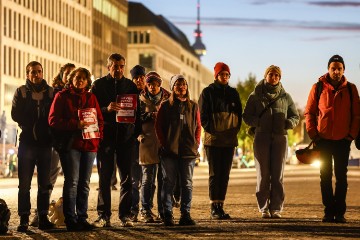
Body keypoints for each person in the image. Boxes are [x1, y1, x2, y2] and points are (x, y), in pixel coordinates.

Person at [304, 55, 360, 223]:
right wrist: (314, 134)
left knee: (342, 177)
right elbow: (309, 113)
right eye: (333, 68)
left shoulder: (351, 89)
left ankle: (340, 212)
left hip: (343, 140)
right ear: (328, 69)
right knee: (325, 175)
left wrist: (350, 135)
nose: (336, 71)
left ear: (344, 70)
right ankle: (329, 211)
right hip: (324, 140)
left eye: (339, 68)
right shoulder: (318, 87)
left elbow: (357, 115)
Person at [48, 67, 103, 231]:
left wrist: (98, 139)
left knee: (84, 184)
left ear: (87, 82)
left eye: (83, 78)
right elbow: (53, 120)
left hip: (89, 145)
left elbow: (99, 120)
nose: (80, 80)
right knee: (72, 182)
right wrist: (74, 124)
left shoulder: (91, 97)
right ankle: (70, 219)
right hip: (71, 145)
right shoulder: (62, 96)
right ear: (71, 79)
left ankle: (82, 217)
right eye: (77, 77)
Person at [243, 65, 300, 218]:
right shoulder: (255, 95)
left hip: (280, 138)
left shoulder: (286, 97)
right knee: (263, 174)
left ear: (279, 78)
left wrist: (289, 123)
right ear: (265, 76)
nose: (273, 77)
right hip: (261, 137)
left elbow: (295, 116)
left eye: (276, 75)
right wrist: (258, 123)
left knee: (277, 175)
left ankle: (276, 208)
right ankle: (263, 208)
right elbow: (246, 116)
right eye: (271, 74)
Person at [91, 53, 140, 227]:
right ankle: (103, 214)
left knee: (126, 177)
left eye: (121, 66)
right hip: (106, 137)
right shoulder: (98, 85)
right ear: (108, 67)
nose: (118, 69)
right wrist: (106, 108)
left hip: (126, 138)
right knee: (104, 177)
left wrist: (136, 133)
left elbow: (138, 112)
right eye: (115, 66)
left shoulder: (130, 86)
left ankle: (125, 215)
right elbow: (92, 110)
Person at [11, 61, 55, 232]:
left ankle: (43, 217)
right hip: (27, 143)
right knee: (24, 184)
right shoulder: (21, 92)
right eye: (33, 72)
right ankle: (24, 218)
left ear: (42, 73)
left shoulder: (51, 92)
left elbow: (53, 114)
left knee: (44, 183)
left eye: (39, 71)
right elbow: (15, 114)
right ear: (27, 74)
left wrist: (46, 129)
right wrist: (32, 124)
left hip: (45, 144)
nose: (36, 75)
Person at [30, 63, 76, 227]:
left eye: (74, 74)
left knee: (72, 179)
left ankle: (69, 214)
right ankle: (39, 214)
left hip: (71, 142)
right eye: (68, 74)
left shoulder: (77, 93)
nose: (70, 77)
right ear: (62, 75)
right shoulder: (52, 92)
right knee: (49, 178)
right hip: (54, 141)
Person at [155, 74, 201, 226]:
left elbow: (198, 127)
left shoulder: (193, 106)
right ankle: (167, 214)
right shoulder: (165, 106)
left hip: (188, 151)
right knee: (168, 182)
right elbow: (158, 126)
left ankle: (185, 214)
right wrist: (164, 143)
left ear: (187, 87)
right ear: (172, 87)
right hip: (169, 151)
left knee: (187, 183)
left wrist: (196, 144)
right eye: (177, 85)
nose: (181, 87)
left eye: (184, 85)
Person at [198, 62, 242, 220]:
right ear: (216, 76)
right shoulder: (207, 92)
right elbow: (203, 117)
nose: (224, 77)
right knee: (215, 173)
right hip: (213, 140)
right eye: (221, 74)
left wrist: (232, 132)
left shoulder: (233, 93)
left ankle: (220, 205)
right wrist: (215, 131)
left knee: (225, 174)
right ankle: (213, 206)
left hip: (229, 141)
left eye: (227, 74)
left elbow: (239, 116)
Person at [138, 71, 170, 223]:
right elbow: (135, 118)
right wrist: (149, 115)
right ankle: (145, 210)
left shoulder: (168, 98)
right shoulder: (140, 99)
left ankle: (163, 211)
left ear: (159, 85)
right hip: (147, 141)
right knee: (147, 179)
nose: (152, 87)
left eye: (154, 84)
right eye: (149, 84)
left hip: (164, 142)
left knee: (164, 179)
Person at [128, 64, 146, 222]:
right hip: (132, 142)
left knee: (147, 180)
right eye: (136, 78)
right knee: (134, 179)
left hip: (148, 143)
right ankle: (133, 210)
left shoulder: (151, 94)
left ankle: (145, 209)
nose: (139, 80)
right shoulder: (128, 95)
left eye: (142, 77)